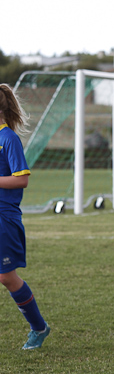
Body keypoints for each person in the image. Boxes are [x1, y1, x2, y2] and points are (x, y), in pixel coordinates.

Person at [0, 83, 51, 350]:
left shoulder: (8, 138)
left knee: (6, 277)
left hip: (4, 217)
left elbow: (22, 180)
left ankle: (39, 327)